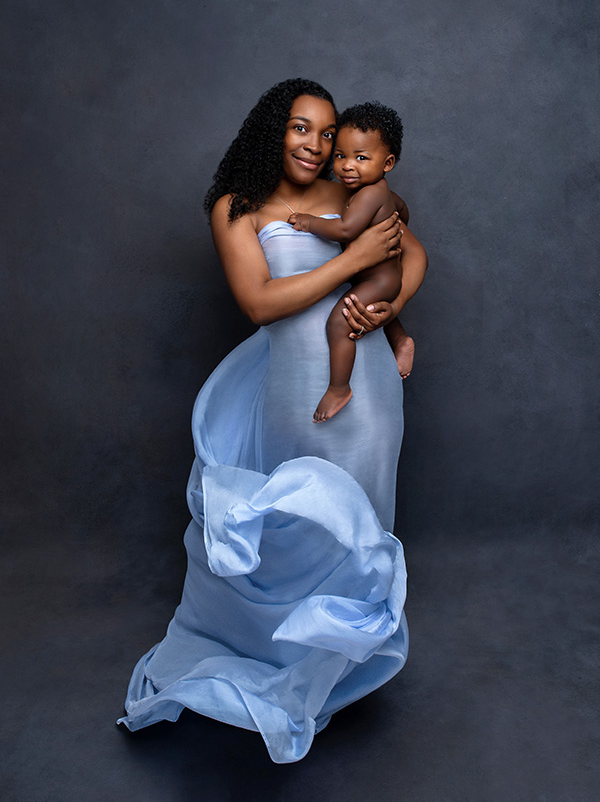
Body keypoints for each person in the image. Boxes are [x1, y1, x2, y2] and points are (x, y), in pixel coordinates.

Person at [117, 78, 428, 764]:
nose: (316, 144)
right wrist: (352, 262)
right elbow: (259, 302)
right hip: (297, 390)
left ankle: (336, 666)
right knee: (299, 522)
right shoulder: (238, 207)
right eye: (300, 127)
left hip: (370, 388)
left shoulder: (350, 192)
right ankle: (283, 657)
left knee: (359, 523)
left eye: (327, 132)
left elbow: (413, 253)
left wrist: (389, 310)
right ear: (272, 129)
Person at [288, 101, 415, 422]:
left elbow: (345, 229)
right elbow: (402, 207)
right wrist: (398, 217)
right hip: (376, 276)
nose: (346, 166)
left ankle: (339, 388)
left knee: (339, 323)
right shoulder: (379, 191)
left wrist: (308, 222)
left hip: (379, 279)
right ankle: (400, 340)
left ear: (387, 163)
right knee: (370, 310)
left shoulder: (369, 194)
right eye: (341, 156)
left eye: (361, 158)